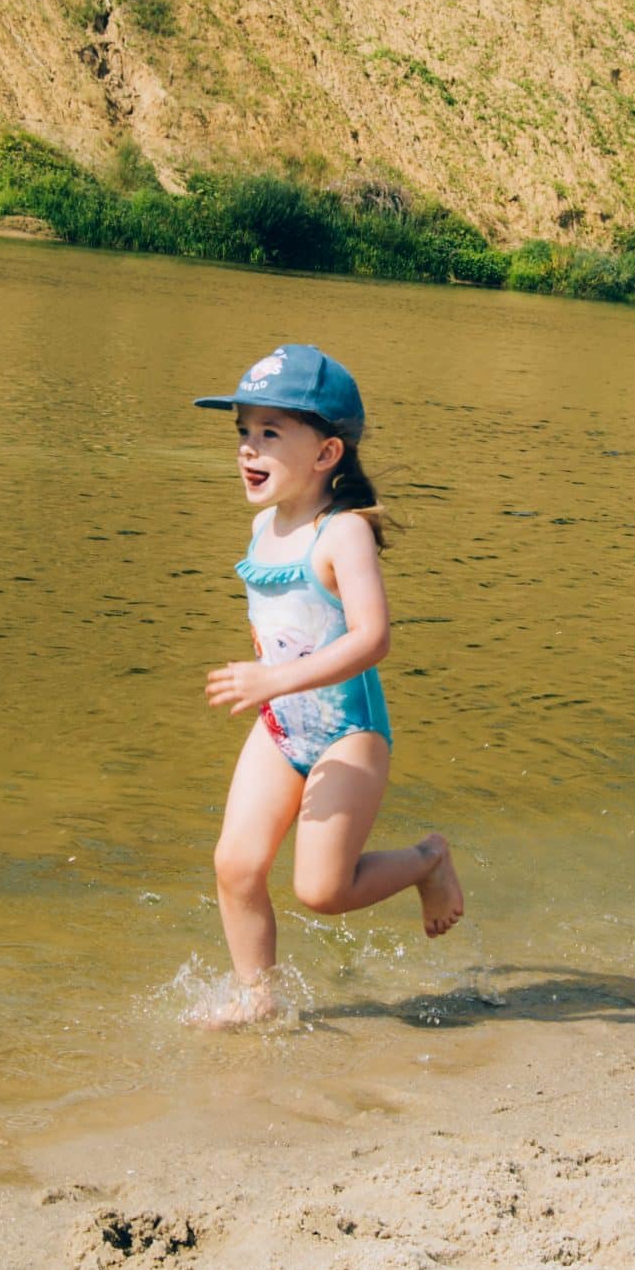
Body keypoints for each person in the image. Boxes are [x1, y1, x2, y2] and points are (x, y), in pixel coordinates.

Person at [192, 344, 465, 1027]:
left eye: (270, 433)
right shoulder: (264, 524)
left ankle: (429, 859)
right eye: (243, 433)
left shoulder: (344, 533)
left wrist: (274, 676)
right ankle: (259, 998)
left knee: (321, 889)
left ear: (326, 454)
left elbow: (372, 637)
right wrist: (270, 677)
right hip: (283, 727)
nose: (249, 449)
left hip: (348, 735)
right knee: (235, 863)